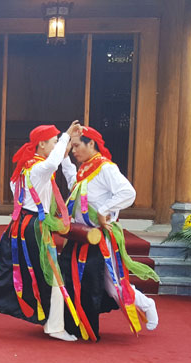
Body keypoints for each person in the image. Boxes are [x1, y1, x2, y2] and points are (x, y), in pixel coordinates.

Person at [0, 121, 83, 341]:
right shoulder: (39, 169)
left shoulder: (24, 169)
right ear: (42, 145)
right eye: (54, 142)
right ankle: (55, 327)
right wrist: (66, 135)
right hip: (34, 228)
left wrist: (66, 141)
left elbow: (58, 159)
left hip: (19, 226)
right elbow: (54, 162)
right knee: (55, 276)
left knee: (6, 272)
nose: (57, 145)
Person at [59, 126, 159, 342]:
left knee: (114, 286)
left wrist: (105, 211)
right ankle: (73, 324)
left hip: (100, 238)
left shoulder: (105, 168)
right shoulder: (85, 169)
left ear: (91, 144)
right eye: (72, 147)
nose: (74, 150)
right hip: (82, 237)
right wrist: (65, 158)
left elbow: (128, 192)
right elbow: (72, 184)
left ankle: (146, 304)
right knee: (99, 285)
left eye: (76, 146)